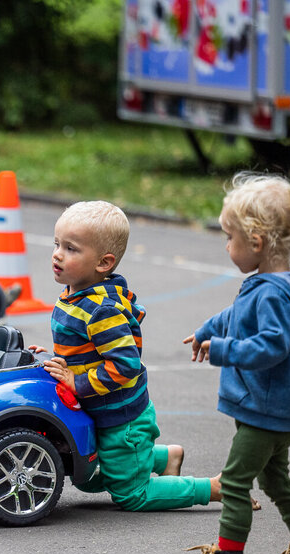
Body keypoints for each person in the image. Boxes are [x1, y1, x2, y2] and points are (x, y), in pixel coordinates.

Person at [171, 173, 290, 554]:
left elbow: (271, 345)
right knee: (275, 477)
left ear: (256, 242)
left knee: (236, 482)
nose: (227, 247)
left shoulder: (272, 294)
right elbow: (239, 316)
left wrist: (222, 350)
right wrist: (210, 328)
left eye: (230, 238)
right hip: (276, 411)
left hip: (263, 412)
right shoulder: (278, 283)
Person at [32, 201, 223, 512]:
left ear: (104, 263)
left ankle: (211, 488)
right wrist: (57, 358)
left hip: (122, 419)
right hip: (99, 410)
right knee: (84, 479)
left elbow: (126, 365)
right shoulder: (74, 293)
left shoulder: (101, 310)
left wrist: (77, 382)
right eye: (57, 244)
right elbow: (85, 348)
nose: (57, 254)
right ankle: (165, 457)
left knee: (132, 496)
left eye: (71, 248)